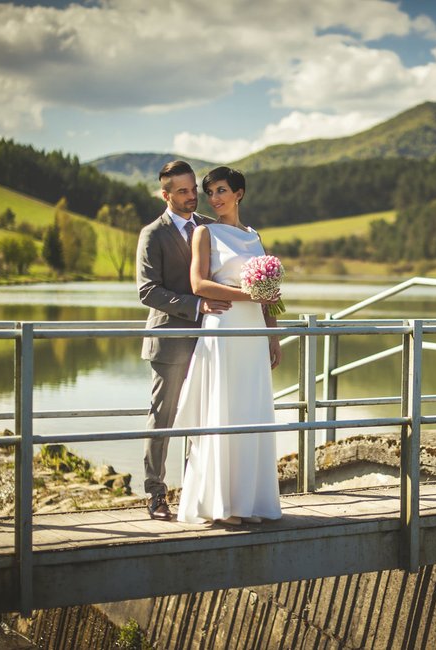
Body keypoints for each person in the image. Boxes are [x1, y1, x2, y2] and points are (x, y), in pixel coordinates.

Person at [175, 166, 283, 525]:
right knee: (223, 409)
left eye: (221, 190)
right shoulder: (204, 233)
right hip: (223, 328)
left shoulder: (254, 237)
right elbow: (198, 284)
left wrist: (273, 334)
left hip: (253, 332)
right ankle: (219, 504)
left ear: (239, 193)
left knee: (250, 409)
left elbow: (267, 297)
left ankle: (249, 502)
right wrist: (245, 294)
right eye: (210, 192)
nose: (214, 198)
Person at [136, 160, 231, 520]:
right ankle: (156, 494)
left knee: (205, 417)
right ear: (166, 194)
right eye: (183, 191)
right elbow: (148, 291)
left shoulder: (210, 228)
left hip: (210, 340)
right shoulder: (153, 234)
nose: (193, 197)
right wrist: (197, 305)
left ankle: (196, 493)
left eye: (194, 189)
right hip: (170, 338)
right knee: (163, 418)